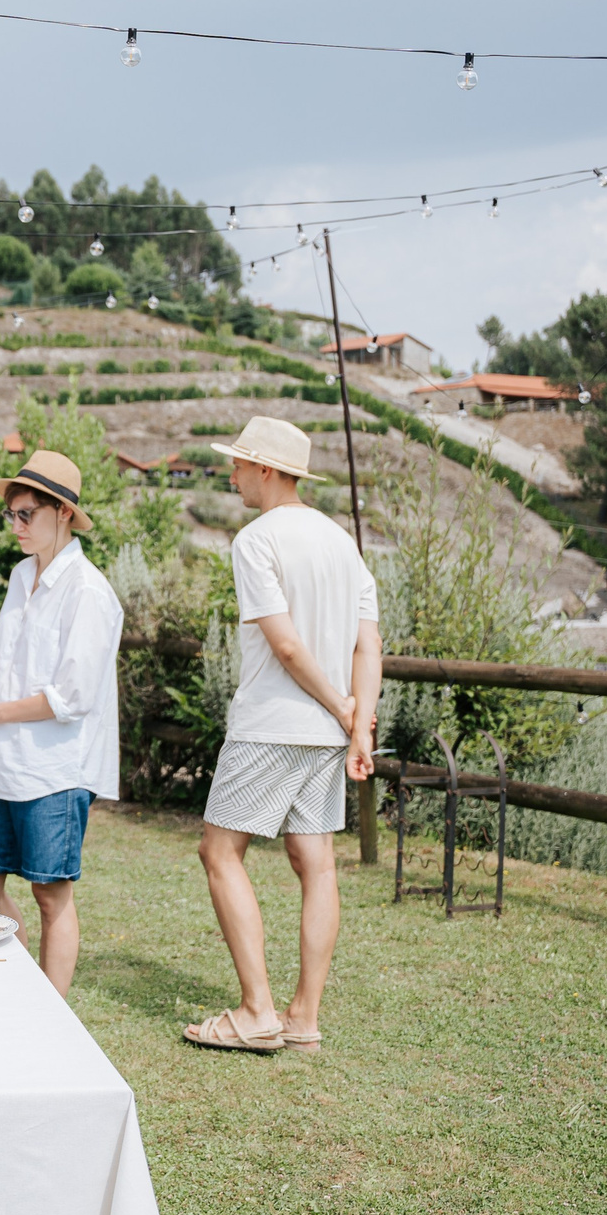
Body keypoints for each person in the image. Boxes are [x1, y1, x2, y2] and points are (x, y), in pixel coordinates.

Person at [184, 416, 380, 1055]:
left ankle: (256, 1012)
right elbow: (367, 643)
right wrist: (357, 721)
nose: (231, 473)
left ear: (266, 470)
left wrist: (348, 713)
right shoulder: (341, 543)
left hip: (272, 724)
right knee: (316, 865)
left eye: (238, 463)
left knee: (219, 852)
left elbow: (288, 648)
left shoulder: (255, 540)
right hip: (326, 733)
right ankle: (303, 1019)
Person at [0, 450, 123, 996]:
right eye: (12, 515)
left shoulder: (89, 592)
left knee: (51, 894)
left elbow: (72, 694)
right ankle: (26, 989)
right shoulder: (22, 576)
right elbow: (16, 666)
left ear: (63, 513)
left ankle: (55, 1016)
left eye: (27, 514)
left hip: (56, 767)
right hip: (4, 761)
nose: (17, 526)